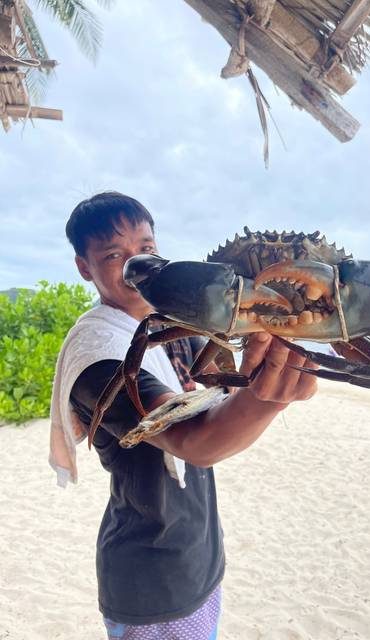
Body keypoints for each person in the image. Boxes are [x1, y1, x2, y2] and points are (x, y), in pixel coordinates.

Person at [49, 192, 319, 640]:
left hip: (201, 555)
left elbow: (225, 387)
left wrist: (269, 337)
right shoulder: (96, 356)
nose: (137, 265)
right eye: (114, 255)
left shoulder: (176, 327)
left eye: (147, 249)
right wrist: (269, 399)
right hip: (150, 577)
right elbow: (195, 441)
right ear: (84, 267)